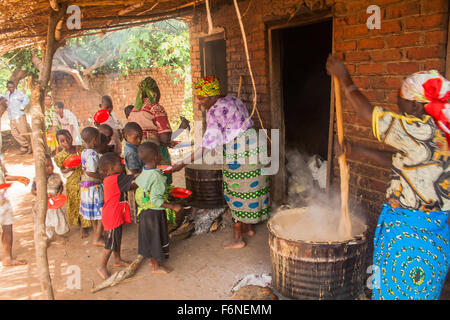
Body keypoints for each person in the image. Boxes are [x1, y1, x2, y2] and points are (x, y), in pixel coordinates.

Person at [326, 55, 450, 300]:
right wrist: (356, 150)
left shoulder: (419, 129)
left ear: (416, 105)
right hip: (436, 236)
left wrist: (343, 77)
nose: (398, 104)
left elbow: (367, 112)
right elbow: (405, 161)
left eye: (400, 99)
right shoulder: (440, 132)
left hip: (409, 235)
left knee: (398, 290)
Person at [172, 76, 271, 249]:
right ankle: (249, 229)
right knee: (251, 188)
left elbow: (205, 147)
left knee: (237, 192)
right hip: (255, 146)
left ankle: (238, 239)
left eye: (202, 98)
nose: (200, 102)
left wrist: (182, 163)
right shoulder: (233, 99)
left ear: (212, 96)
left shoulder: (215, 111)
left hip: (239, 154)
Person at [135, 142, 183, 274]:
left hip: (144, 211)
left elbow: (141, 184)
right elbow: (156, 200)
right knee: (155, 238)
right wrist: (172, 206)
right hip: (154, 213)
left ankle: (153, 261)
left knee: (150, 237)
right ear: (156, 157)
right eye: (160, 151)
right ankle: (156, 266)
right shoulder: (157, 176)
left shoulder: (146, 170)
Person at [96, 152, 136, 280]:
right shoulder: (116, 179)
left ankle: (117, 259)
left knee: (116, 239)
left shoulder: (110, 178)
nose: (122, 165)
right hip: (112, 215)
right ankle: (101, 266)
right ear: (111, 169)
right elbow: (134, 178)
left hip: (113, 213)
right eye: (119, 164)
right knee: (110, 243)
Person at [128, 77, 174, 184]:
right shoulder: (156, 108)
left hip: (137, 151)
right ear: (155, 92)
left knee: (145, 181)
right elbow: (164, 137)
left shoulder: (134, 110)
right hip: (153, 151)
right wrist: (168, 142)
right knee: (161, 179)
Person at [54, 130, 92, 238]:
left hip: (85, 177)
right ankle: (82, 226)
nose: (66, 142)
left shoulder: (80, 149)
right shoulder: (60, 156)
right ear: (58, 143)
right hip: (72, 181)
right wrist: (69, 168)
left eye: (68, 139)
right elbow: (62, 170)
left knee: (86, 199)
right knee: (76, 203)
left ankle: (88, 222)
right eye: (62, 141)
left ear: (72, 137)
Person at [31, 155, 69, 241]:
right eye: (47, 166)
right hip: (44, 204)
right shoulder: (38, 178)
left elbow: (61, 186)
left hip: (55, 203)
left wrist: (59, 192)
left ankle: (60, 233)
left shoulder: (57, 176)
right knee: (45, 221)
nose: (50, 168)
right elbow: (33, 190)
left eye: (51, 165)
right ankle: (48, 236)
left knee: (59, 218)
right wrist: (41, 194)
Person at [0, 155, 29, 266]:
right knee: (7, 228)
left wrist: (17, 178)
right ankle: (7, 258)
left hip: (3, 200)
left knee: (7, 227)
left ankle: (7, 258)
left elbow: (4, 175)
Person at [79, 127, 104, 246]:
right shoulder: (92, 154)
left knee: (94, 213)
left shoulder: (84, 152)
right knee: (101, 212)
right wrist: (103, 177)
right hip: (94, 187)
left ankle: (97, 233)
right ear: (94, 140)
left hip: (86, 186)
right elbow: (90, 171)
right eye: (99, 138)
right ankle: (98, 238)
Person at [122, 122, 144, 223]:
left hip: (138, 178)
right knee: (139, 201)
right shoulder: (131, 152)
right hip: (136, 181)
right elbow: (135, 171)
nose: (139, 140)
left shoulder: (133, 146)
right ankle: (140, 220)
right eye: (136, 138)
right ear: (126, 136)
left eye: (141, 137)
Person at [4, 81, 31, 154]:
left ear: (14, 86)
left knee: (24, 132)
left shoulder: (18, 93)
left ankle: (29, 147)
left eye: (12, 87)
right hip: (11, 117)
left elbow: (26, 99)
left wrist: (22, 106)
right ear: (7, 87)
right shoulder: (7, 94)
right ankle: (26, 145)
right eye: (9, 87)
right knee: (14, 133)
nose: (11, 88)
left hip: (19, 115)